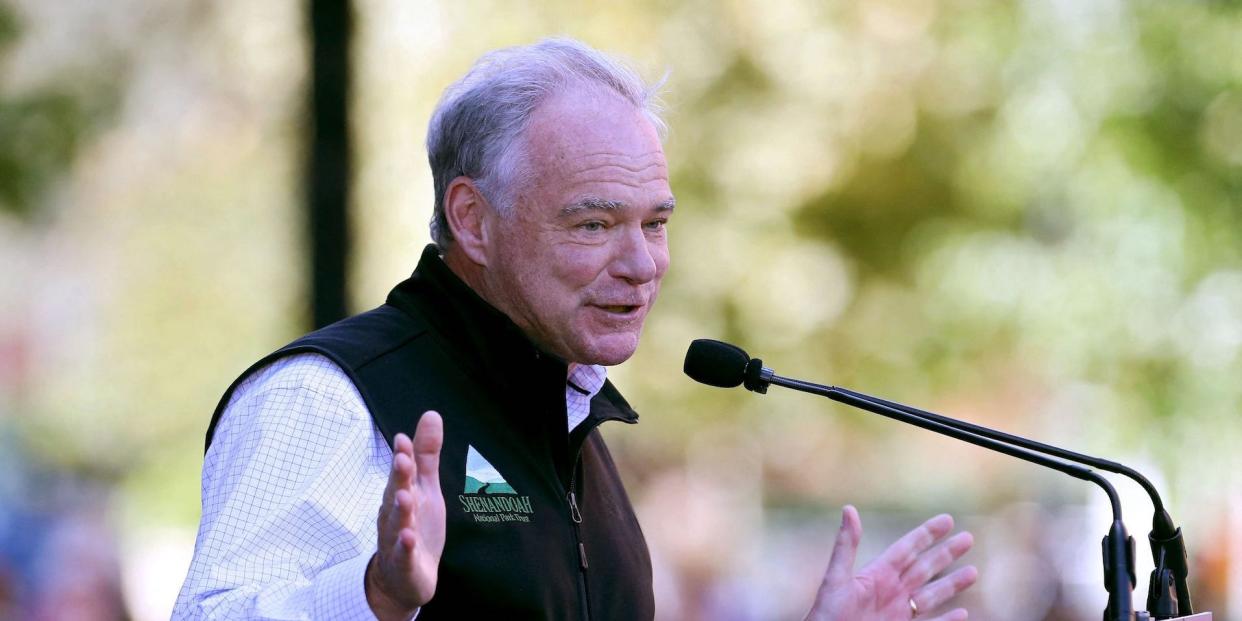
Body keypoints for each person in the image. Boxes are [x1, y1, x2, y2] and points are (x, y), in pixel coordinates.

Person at [174, 38, 978, 621]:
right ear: (473, 220)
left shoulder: (571, 418)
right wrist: (374, 594)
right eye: (594, 224)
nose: (642, 264)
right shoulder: (327, 399)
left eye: (655, 223)